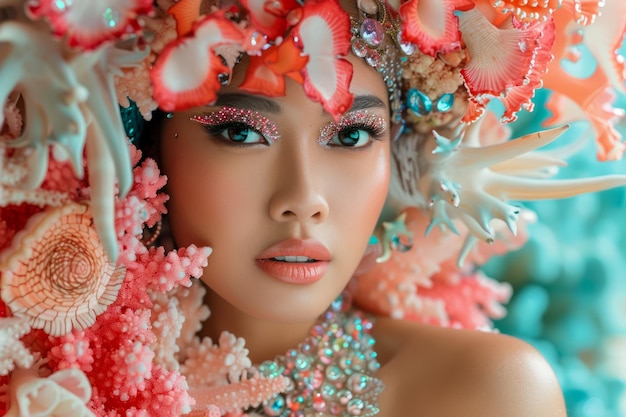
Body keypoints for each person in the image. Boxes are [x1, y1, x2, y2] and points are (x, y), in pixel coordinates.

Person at [0, 1, 624, 416]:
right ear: (146, 145)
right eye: (242, 133)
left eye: (351, 136)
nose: (303, 198)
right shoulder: (38, 384)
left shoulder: (482, 392)